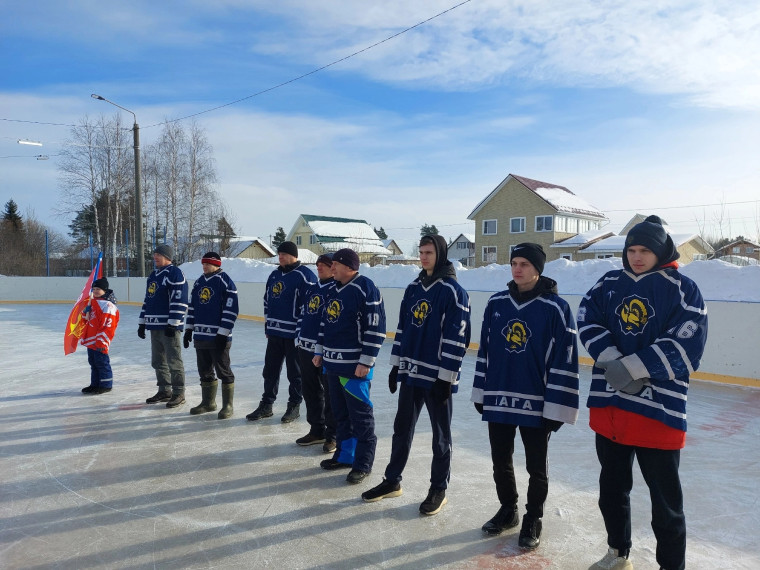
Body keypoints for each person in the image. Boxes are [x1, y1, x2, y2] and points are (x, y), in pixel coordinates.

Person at [579, 216, 708, 570]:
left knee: (666, 505)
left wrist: (633, 368)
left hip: (658, 413)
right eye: (632, 249)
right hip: (611, 408)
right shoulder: (608, 282)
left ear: (661, 250)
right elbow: (588, 319)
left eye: (645, 250)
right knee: (612, 491)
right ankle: (618, 552)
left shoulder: (683, 288)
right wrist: (612, 361)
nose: (637, 256)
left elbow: (687, 344)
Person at [471, 243, 579, 550]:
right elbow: (486, 350)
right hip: (499, 396)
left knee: (536, 467)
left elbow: (565, 358)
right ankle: (509, 510)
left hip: (537, 402)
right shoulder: (496, 303)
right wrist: (481, 389)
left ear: (538, 269)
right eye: (514, 263)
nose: (517, 269)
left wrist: (557, 407)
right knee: (500, 460)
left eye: (525, 264)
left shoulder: (556, 308)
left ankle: (534, 517)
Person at [361, 234, 471, 516]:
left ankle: (439, 488)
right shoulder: (413, 287)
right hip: (411, 372)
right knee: (402, 430)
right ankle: (392, 480)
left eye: (429, 252)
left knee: (440, 437)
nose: (423, 257)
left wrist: (446, 378)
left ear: (441, 254)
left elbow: (457, 339)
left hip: (436, 379)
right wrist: (396, 364)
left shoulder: (453, 291)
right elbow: (403, 328)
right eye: (421, 252)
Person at [313, 248, 386, 484]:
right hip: (332, 365)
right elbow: (325, 323)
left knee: (361, 418)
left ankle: (363, 463)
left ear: (349, 266)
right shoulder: (333, 289)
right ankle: (345, 456)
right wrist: (319, 351)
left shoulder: (365, 288)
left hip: (354, 367)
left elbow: (375, 329)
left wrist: (366, 361)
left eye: (335, 264)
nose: (331, 268)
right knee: (340, 415)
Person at [247, 241, 316, 423]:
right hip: (275, 333)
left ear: (294, 255)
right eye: (279, 254)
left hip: (294, 336)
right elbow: (267, 301)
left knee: (295, 373)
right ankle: (267, 404)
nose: (280, 257)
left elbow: (309, 307)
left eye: (284, 254)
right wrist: (267, 326)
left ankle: (294, 405)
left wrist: (301, 333)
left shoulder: (305, 276)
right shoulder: (275, 275)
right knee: (270, 370)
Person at [183, 252, 239, 419]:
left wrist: (223, 332)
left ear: (216, 264)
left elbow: (232, 309)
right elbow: (192, 306)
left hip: (218, 337)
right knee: (205, 370)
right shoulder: (200, 281)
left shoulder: (225, 281)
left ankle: (228, 405)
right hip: (201, 335)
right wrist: (189, 329)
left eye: (207, 264)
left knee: (223, 370)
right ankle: (208, 402)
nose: (204, 266)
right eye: (203, 264)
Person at [294, 253, 337, 453]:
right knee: (310, 390)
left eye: (324, 265)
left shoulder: (336, 289)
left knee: (330, 393)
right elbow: (302, 314)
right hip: (305, 348)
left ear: (333, 267)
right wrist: (298, 336)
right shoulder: (312, 289)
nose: (319, 268)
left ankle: (332, 435)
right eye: (318, 265)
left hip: (325, 351)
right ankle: (317, 429)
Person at [138, 244, 189, 408]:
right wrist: (142, 322)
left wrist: (173, 323)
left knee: (173, 361)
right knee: (158, 361)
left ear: (168, 257)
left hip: (168, 327)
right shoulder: (153, 275)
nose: (155, 257)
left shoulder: (174, 273)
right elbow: (148, 300)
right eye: (154, 254)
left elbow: (179, 300)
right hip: (154, 326)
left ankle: (178, 392)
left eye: (158, 254)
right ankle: (164, 390)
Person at [80, 277, 120, 394]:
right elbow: (86, 321)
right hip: (91, 339)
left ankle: (106, 384)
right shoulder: (92, 302)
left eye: (98, 289)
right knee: (93, 362)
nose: (95, 291)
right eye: (94, 288)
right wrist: (85, 313)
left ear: (105, 290)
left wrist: (102, 340)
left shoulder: (108, 305)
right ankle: (95, 384)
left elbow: (108, 325)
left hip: (100, 340)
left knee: (101, 362)